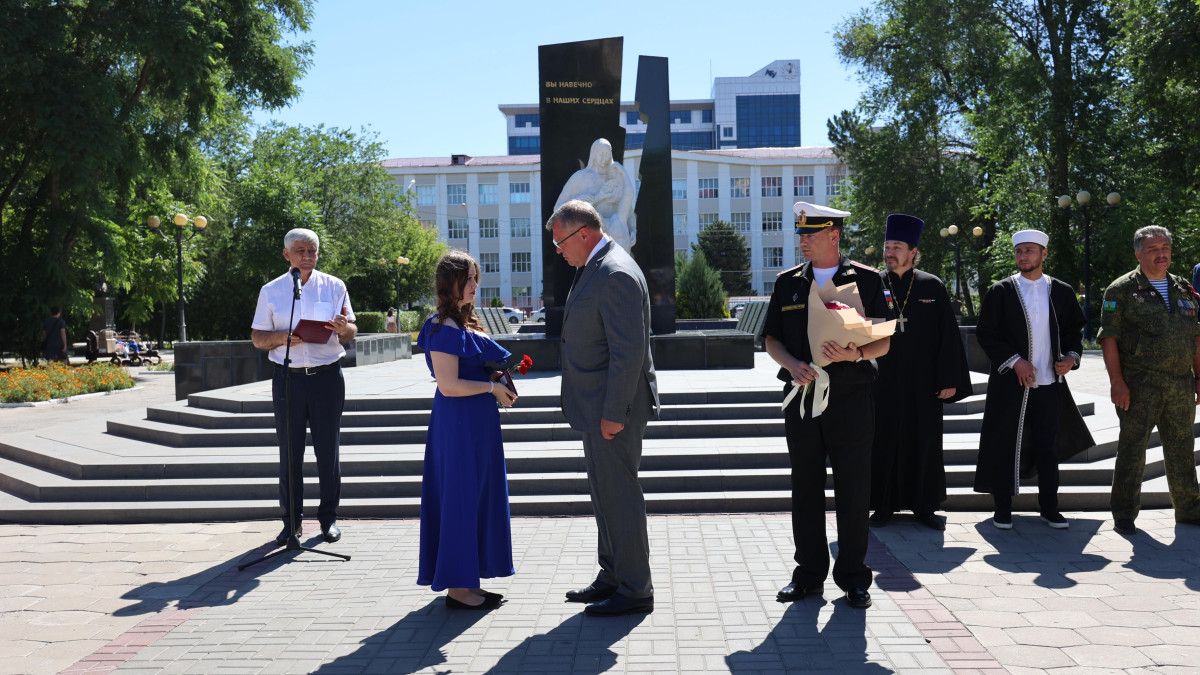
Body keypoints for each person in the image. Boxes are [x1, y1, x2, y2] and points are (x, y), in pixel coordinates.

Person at [764, 201, 892, 610]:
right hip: (803, 398)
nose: (802, 241)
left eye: (811, 234)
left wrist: (855, 355)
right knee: (805, 487)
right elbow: (771, 340)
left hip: (850, 398)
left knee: (854, 489)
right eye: (800, 234)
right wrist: (792, 364)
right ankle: (808, 575)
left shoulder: (867, 280)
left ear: (834, 235)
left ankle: (854, 578)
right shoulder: (788, 283)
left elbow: (885, 340)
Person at [548, 199, 659, 617]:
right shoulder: (596, 266)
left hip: (613, 410)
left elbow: (628, 354)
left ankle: (635, 589)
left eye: (560, 242)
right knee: (605, 496)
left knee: (620, 497)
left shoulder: (614, 273)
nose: (559, 251)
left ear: (584, 234)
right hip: (596, 406)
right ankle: (613, 574)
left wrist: (615, 412)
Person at [416, 251, 518, 609]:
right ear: (451, 283)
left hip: (475, 424)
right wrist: (492, 388)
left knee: (475, 497)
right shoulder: (443, 326)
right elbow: (448, 385)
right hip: (458, 425)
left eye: (476, 278)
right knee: (460, 498)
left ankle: (467, 581)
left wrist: (496, 377)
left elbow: (470, 370)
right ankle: (458, 589)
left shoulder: (462, 323)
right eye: (469, 279)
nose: (475, 285)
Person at [974, 229, 1092, 530]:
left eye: (1029, 250)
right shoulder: (1001, 291)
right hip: (1010, 385)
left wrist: (1071, 357)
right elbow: (986, 333)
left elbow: (1073, 331)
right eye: (1019, 251)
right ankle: (1002, 509)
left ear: (1043, 254)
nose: (1023, 255)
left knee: (1047, 448)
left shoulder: (1061, 291)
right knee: (1004, 444)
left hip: (1049, 385)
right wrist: (1015, 361)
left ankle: (1050, 508)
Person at [251, 228, 357, 547]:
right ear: (287, 255)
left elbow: (351, 331)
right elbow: (258, 337)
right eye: (301, 251)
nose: (307, 256)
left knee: (328, 451)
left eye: (312, 251)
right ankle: (291, 523)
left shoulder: (335, 285)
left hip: (327, 377)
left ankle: (328, 519)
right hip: (288, 378)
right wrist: (281, 337)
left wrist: (344, 328)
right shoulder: (271, 290)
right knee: (290, 453)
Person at [870, 214, 972, 531]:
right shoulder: (872, 284)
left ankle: (925, 507)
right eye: (887, 246)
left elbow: (948, 337)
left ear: (913, 252)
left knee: (924, 442)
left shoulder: (932, 285)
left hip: (924, 383)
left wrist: (949, 379)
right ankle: (882, 506)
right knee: (883, 441)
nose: (889, 252)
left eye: (896, 247)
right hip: (881, 381)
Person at [1098, 226, 1200, 535]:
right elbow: (1109, 338)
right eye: (1153, 249)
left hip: (1180, 384)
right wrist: (1117, 382)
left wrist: (1199, 377)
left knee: (1182, 449)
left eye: (1165, 247)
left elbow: (1195, 337)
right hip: (1139, 384)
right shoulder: (1121, 290)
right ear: (1138, 254)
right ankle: (1124, 513)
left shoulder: (1184, 288)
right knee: (1133, 449)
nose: (1161, 253)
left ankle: (1189, 509)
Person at [554, 138, 637, 251]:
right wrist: (580, 201)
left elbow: (627, 206)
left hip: (617, 234)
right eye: (601, 153)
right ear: (594, 154)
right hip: (591, 238)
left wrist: (632, 229)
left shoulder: (615, 178)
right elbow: (558, 209)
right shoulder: (580, 177)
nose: (604, 158)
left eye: (607, 154)